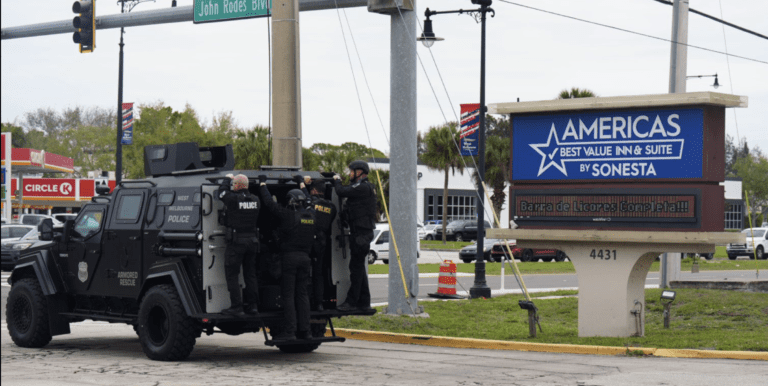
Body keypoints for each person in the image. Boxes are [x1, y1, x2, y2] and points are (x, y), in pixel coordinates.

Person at [258, 175, 315, 340]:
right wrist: (302, 184)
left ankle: (290, 331)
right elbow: (310, 200)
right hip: (305, 259)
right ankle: (306, 331)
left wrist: (263, 184)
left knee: (288, 295)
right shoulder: (311, 215)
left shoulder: (288, 216)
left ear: (291, 202)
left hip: (289, 259)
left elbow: (269, 204)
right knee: (302, 295)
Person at [333, 160, 376, 311]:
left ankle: (351, 302)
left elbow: (341, 191)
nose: (350, 174)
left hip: (361, 234)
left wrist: (337, 180)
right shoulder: (362, 187)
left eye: (352, 171)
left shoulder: (363, 187)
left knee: (356, 269)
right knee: (359, 269)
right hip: (359, 233)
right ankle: (364, 302)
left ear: (359, 173)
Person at [219, 174, 260, 316]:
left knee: (232, 274)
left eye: (233, 184)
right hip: (252, 242)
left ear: (236, 185)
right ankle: (253, 306)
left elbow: (221, 193)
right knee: (250, 274)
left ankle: (237, 306)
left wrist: (227, 178)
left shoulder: (233, 199)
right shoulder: (256, 200)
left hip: (237, 243)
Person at [305, 178, 337, 311]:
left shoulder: (311, 202)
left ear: (313, 190)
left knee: (304, 273)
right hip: (322, 241)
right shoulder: (331, 206)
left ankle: (305, 302)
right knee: (318, 273)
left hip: (308, 241)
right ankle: (319, 304)